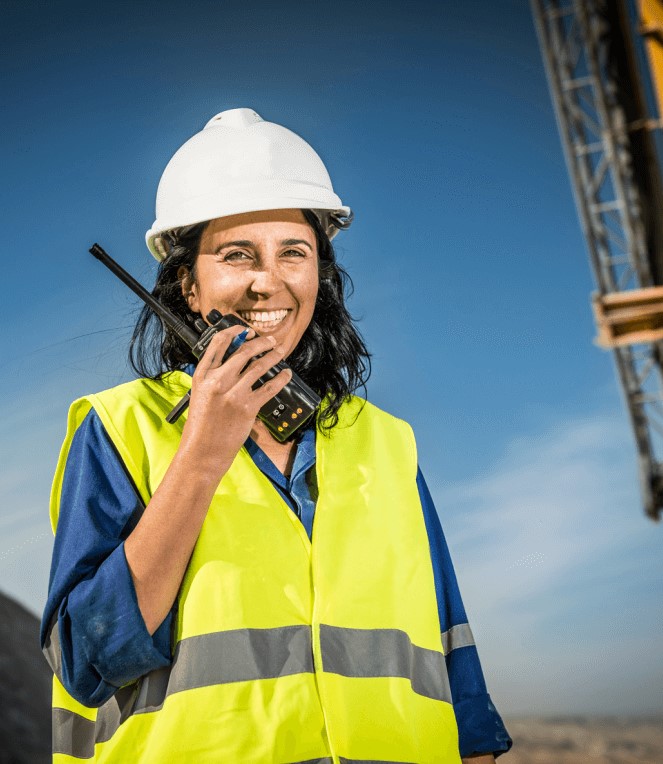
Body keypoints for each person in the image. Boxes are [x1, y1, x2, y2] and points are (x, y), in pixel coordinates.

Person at [41, 108, 512, 763]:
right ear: (188, 282)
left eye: (294, 252)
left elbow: (452, 659)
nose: (269, 281)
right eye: (237, 255)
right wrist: (202, 455)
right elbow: (85, 661)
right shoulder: (122, 428)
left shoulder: (384, 443)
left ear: (320, 272)